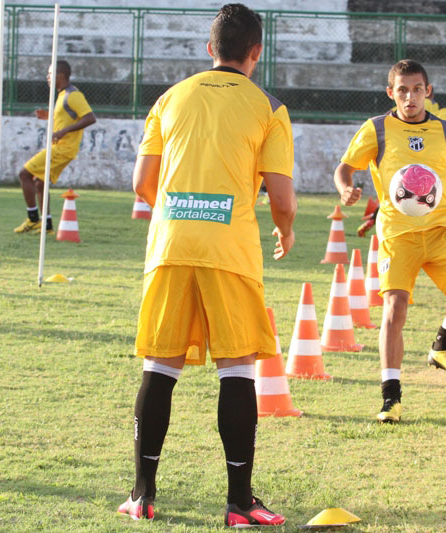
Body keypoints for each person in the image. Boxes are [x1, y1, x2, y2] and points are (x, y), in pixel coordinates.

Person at [119, 4, 296, 527]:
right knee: (237, 367)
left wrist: (181, 211)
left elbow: (142, 185)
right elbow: (281, 197)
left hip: (171, 245)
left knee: (160, 365)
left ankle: (142, 494)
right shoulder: (269, 107)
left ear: (209, 49)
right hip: (230, 249)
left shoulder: (170, 98)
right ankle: (239, 504)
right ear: (256, 52)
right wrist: (285, 229)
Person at [333, 59, 446, 424]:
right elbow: (345, 167)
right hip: (399, 235)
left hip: (445, 230)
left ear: (427, 92)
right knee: (394, 308)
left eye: (417, 89)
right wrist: (346, 188)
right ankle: (391, 398)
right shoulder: (377, 129)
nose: (410, 97)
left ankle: (445, 344)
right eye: (402, 90)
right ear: (391, 93)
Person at [357, 90, 446, 238]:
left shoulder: (443, 112)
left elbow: (390, 115)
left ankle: (374, 218)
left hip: (417, 158)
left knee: (398, 193)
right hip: (443, 169)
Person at [13, 60, 96, 234]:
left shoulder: (73, 95)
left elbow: (89, 118)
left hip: (62, 149)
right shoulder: (62, 95)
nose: (47, 77)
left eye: (50, 74)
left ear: (61, 75)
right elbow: (68, 117)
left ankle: (33, 219)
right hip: (60, 147)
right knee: (39, 182)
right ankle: (47, 225)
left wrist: (63, 131)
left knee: (24, 174)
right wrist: (49, 117)